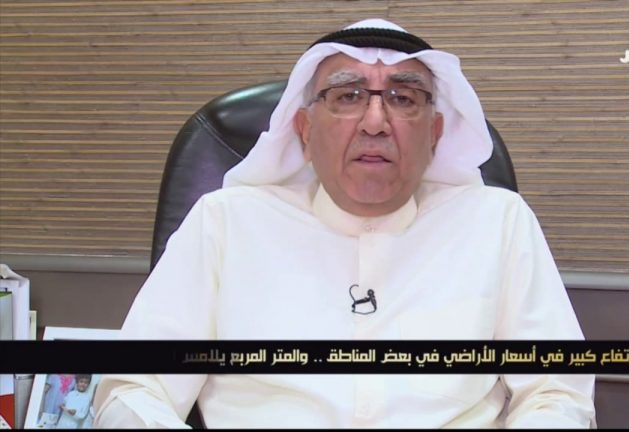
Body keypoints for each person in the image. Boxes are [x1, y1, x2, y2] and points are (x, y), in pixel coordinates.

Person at [93, 18, 596, 428]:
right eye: (348, 96)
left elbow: (555, 392)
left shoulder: (497, 222)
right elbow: (136, 387)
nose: (375, 122)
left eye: (403, 98)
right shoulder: (225, 223)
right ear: (304, 129)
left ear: (436, 133)